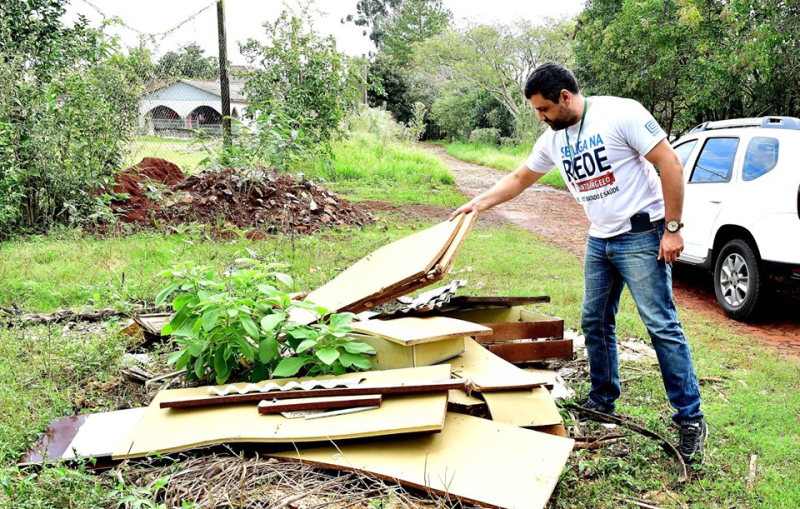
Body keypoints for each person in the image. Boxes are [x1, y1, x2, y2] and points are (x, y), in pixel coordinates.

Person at [450, 62, 707, 463]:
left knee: (660, 325)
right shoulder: (555, 138)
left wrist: (673, 228)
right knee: (594, 320)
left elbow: (670, 164)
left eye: (543, 109)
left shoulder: (620, 113)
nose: (540, 117)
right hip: (600, 239)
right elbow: (519, 178)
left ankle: (690, 419)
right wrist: (477, 204)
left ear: (565, 98)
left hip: (642, 234)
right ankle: (602, 401)